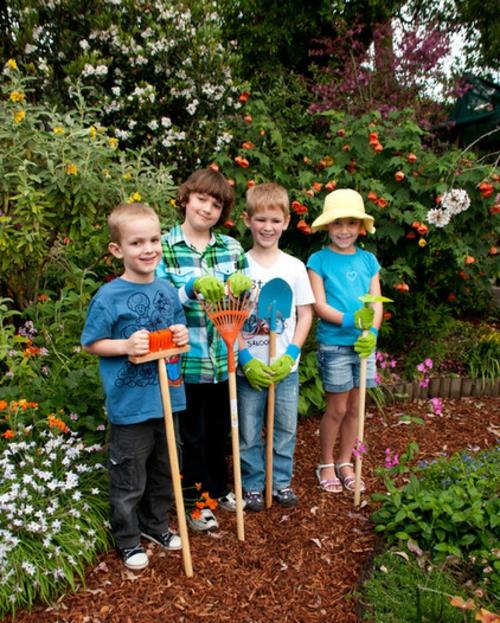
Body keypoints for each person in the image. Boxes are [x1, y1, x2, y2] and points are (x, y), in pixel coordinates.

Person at [81, 202, 189, 571]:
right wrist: (125, 346)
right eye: (137, 242)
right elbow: (91, 343)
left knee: (164, 470)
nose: (148, 249)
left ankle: (155, 525)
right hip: (131, 405)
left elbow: (176, 333)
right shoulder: (108, 297)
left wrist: (180, 333)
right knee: (129, 476)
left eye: (155, 239)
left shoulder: (167, 290)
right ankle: (127, 540)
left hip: (168, 399)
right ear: (117, 250)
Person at [156, 167, 251, 531]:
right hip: (187, 358)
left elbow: (245, 301)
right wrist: (190, 289)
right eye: (201, 199)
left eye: (216, 204)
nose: (207, 209)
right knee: (191, 435)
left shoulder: (231, 248)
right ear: (185, 198)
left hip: (222, 356)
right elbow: (161, 303)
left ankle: (220, 489)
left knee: (219, 429)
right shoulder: (163, 246)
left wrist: (238, 293)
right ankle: (197, 502)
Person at [237, 183, 314, 511]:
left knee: (284, 428)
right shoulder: (238, 263)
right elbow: (231, 314)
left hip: (285, 367)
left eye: (274, 220)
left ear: (286, 223)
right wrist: (243, 357)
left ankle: (281, 481)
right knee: (249, 432)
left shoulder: (294, 267)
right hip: (249, 367)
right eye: (261, 219)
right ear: (247, 220)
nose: (267, 227)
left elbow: (306, 312)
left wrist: (292, 353)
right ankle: (253, 485)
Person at [306, 189, 382, 494]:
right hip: (335, 344)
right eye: (338, 224)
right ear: (327, 226)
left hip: (363, 345)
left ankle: (345, 461)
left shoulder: (368, 260)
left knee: (355, 409)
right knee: (336, 409)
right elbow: (319, 306)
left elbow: (376, 303)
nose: (344, 230)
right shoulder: (318, 260)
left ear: (360, 227)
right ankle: (325, 462)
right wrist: (353, 321)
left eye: (351, 223)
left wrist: (372, 333)